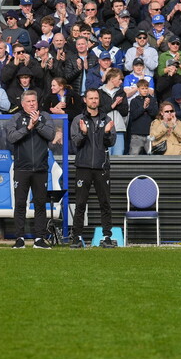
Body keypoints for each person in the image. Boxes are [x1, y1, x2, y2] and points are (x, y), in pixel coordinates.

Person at [7, 90, 55, 249]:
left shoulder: (45, 116)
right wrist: (28, 128)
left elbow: (51, 135)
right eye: (28, 101)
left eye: (34, 101)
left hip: (41, 168)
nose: (32, 103)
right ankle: (19, 238)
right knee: (20, 204)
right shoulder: (15, 118)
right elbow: (11, 138)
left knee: (40, 204)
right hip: (21, 169)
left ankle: (39, 239)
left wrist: (37, 124)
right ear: (22, 103)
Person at [69, 89, 116, 248]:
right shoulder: (78, 120)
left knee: (105, 203)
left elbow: (111, 142)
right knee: (80, 203)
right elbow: (76, 142)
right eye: (91, 98)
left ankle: (107, 237)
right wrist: (83, 133)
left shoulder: (107, 119)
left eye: (96, 98)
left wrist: (107, 133)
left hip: (102, 167)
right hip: (83, 167)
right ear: (85, 100)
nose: (94, 101)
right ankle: (76, 237)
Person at [127, 79, 158, 154]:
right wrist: (143, 107)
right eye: (142, 88)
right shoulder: (134, 101)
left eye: (146, 88)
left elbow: (155, 113)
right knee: (133, 158)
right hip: (136, 135)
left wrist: (147, 106)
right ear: (138, 89)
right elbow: (133, 116)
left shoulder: (153, 100)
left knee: (152, 158)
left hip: (150, 134)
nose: (145, 90)